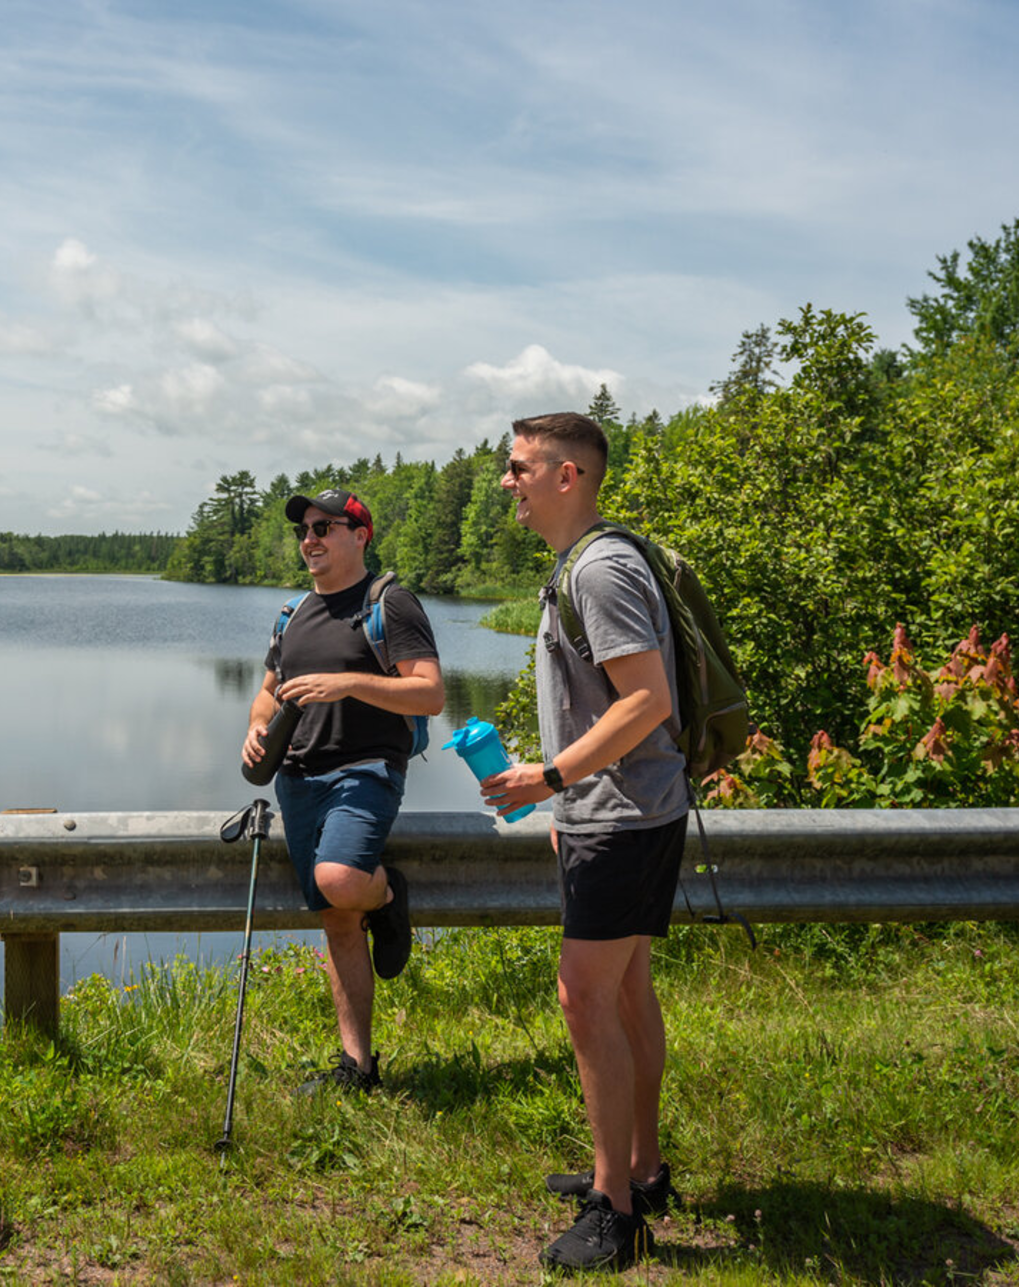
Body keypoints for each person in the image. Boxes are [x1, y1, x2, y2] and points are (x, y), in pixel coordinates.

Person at [479, 413, 687, 1273]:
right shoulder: (585, 563)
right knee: (627, 989)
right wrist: (566, 799)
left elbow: (646, 700)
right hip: (623, 812)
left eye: (519, 467)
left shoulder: (599, 569)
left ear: (568, 476)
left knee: (584, 998)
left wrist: (553, 777)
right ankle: (640, 1170)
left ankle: (614, 1212)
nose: (507, 481)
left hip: (622, 818)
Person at [241, 488, 444, 1093]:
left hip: (366, 770)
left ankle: (387, 892)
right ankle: (358, 1067)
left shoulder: (389, 603)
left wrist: (348, 683)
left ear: (360, 535)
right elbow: (268, 692)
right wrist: (255, 727)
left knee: (341, 880)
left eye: (324, 527)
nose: (310, 539)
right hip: (297, 778)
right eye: (304, 530)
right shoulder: (293, 613)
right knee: (336, 921)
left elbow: (430, 693)